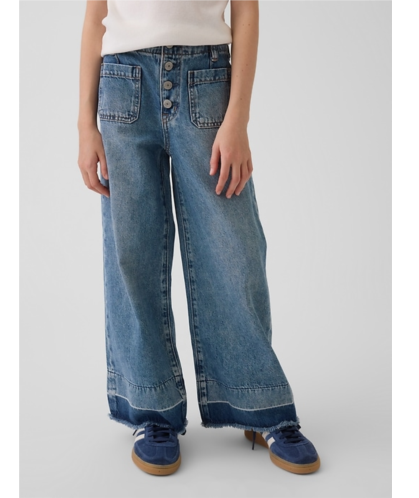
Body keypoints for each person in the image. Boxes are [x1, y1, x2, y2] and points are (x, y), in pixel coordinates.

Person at [78, 0, 320, 477]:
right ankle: (151, 410)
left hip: (206, 79)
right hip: (123, 83)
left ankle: (259, 402)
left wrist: (238, 119)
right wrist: (84, 124)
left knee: (234, 252)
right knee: (132, 254)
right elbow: (94, 17)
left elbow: (245, 11)